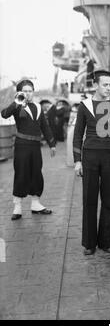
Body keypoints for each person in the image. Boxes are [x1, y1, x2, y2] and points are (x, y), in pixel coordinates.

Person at [73, 69, 110, 255]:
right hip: (90, 158)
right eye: (105, 84)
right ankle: (89, 243)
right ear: (95, 85)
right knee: (89, 199)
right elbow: (78, 135)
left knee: (108, 200)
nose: (108, 88)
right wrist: (77, 161)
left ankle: (106, 242)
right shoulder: (84, 106)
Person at [1, 79, 56, 220]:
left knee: (36, 173)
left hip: (35, 147)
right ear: (19, 92)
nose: (28, 94)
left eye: (30, 91)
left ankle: (36, 204)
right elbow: (4, 114)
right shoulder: (17, 106)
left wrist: (52, 144)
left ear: (33, 92)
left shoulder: (38, 106)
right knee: (21, 173)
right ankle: (17, 207)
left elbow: (45, 127)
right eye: (24, 91)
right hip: (21, 145)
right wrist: (17, 102)